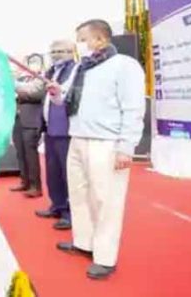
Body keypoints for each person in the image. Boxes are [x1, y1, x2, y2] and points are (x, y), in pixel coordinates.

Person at [50, 19, 145, 280]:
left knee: (106, 200)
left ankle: (105, 257)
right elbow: (65, 98)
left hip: (107, 143)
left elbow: (134, 109)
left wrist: (126, 147)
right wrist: (56, 94)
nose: (77, 45)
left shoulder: (124, 66)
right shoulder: (83, 68)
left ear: (100, 39)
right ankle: (84, 242)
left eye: (82, 39)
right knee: (79, 194)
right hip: (77, 138)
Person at [35, 40, 77, 230]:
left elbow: (67, 93)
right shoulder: (51, 71)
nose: (56, 54)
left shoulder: (76, 70)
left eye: (60, 51)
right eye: (53, 51)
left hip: (66, 130)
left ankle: (70, 213)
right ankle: (57, 205)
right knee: (53, 173)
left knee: (67, 173)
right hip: (50, 129)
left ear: (71, 51)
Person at [10, 54, 46, 198]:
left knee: (31, 154)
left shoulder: (42, 78)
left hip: (31, 119)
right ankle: (24, 181)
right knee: (20, 152)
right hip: (18, 118)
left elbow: (35, 94)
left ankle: (35, 186)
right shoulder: (22, 79)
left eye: (34, 62)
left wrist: (18, 91)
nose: (31, 65)